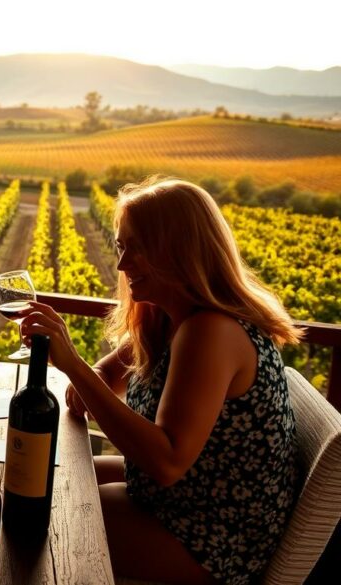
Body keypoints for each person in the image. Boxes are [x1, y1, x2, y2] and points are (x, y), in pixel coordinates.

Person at [19, 178, 300, 584]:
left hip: (212, 536)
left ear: (179, 250)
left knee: (44, 512)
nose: (121, 264)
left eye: (137, 248)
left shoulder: (211, 332)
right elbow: (110, 372)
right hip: (180, 499)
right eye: (120, 246)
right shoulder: (167, 314)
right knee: (42, 477)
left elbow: (167, 462)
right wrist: (91, 378)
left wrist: (74, 367)